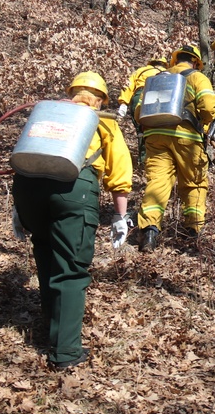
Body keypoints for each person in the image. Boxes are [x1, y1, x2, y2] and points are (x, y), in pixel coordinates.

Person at [11, 71, 133, 370]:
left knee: (46, 256)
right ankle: (65, 353)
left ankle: (52, 332)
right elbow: (120, 173)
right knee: (71, 270)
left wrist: (18, 208)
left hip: (27, 189)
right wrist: (120, 215)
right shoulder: (102, 121)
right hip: (73, 190)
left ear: (72, 91)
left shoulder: (48, 114)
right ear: (102, 98)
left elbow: (27, 155)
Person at [138, 44, 215, 251]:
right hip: (186, 137)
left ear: (175, 60)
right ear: (195, 62)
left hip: (155, 136)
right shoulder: (197, 77)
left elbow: (140, 109)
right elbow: (209, 107)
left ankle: (149, 231)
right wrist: (207, 122)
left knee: (157, 181)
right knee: (194, 183)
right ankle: (192, 231)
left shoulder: (158, 77)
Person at [116, 53, 168, 166]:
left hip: (139, 95)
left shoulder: (141, 71)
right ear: (164, 63)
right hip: (160, 97)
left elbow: (128, 85)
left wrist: (123, 103)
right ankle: (156, 158)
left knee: (141, 129)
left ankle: (143, 160)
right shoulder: (167, 73)